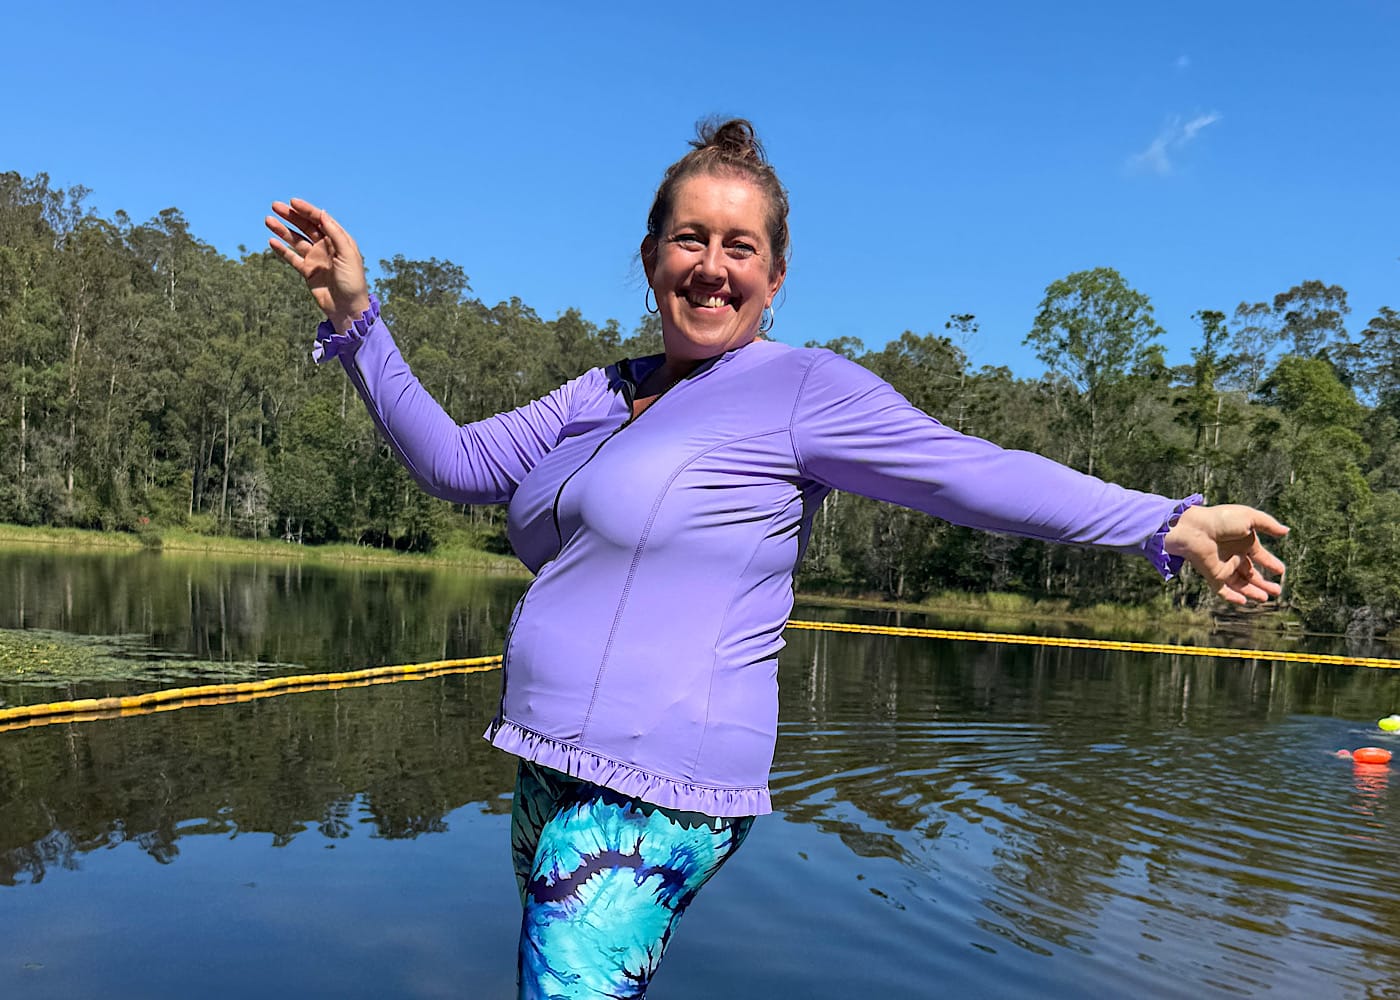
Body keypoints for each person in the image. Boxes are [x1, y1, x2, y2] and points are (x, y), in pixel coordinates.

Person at [266, 119, 1287, 998]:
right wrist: (354, 315)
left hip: (655, 787)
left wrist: (1165, 521)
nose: (711, 264)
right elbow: (453, 461)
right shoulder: (600, 391)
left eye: (739, 246)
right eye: (689, 238)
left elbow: (967, 473)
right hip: (550, 765)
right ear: (650, 254)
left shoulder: (799, 391)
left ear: (774, 275)